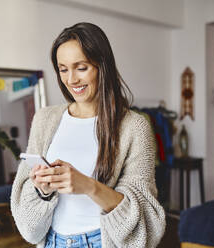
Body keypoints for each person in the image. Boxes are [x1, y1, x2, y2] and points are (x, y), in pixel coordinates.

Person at [10, 22, 166, 248]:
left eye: (81, 67)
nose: (71, 80)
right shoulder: (44, 119)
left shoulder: (134, 126)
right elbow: (29, 226)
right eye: (63, 69)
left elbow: (143, 219)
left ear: (102, 66)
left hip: (100, 242)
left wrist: (88, 186)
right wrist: (43, 191)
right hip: (52, 242)